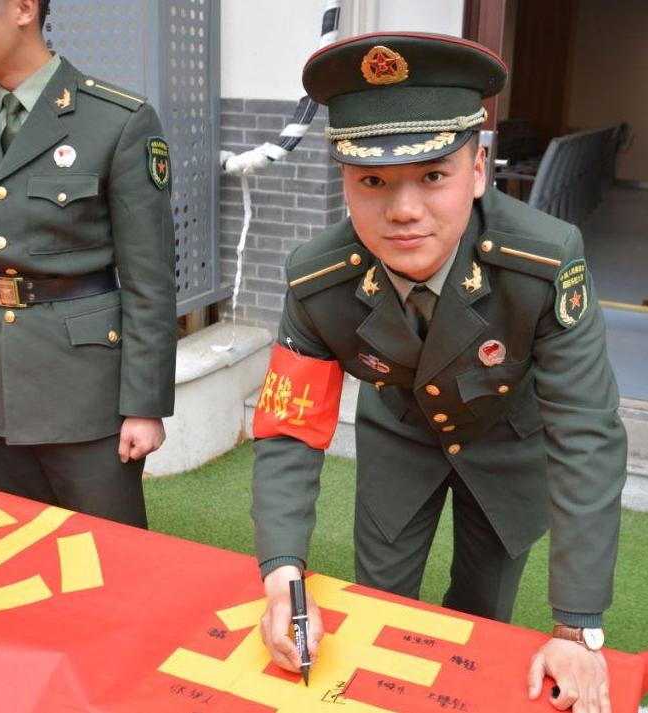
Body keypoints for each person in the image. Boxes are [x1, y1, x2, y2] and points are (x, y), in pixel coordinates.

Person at [249, 33, 626, 713]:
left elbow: (586, 434)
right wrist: (282, 578)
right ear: (344, 179)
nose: (402, 211)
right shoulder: (318, 280)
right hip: (399, 432)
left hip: (507, 440)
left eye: (432, 176)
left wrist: (576, 629)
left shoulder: (541, 262)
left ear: (477, 170)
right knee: (379, 607)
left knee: (482, 618)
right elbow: (289, 430)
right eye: (372, 180)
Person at [0, 0, 177, 528]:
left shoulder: (116, 120)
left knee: (109, 548)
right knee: (19, 541)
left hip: (86, 387)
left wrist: (145, 405)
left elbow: (150, 281)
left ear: (24, 8)